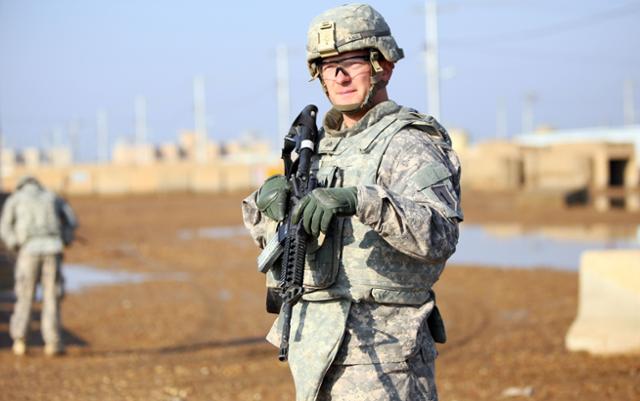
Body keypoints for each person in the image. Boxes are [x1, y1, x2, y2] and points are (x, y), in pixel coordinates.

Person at [242, 3, 462, 400]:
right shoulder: (316, 148)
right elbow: (275, 238)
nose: (339, 75)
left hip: (384, 353)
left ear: (383, 65)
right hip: (315, 348)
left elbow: (439, 234)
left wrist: (360, 200)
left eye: (352, 62)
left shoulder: (409, 143)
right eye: (329, 66)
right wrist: (266, 204)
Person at [0, 175, 78, 356]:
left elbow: (4, 227)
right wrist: (66, 239)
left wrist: (14, 243)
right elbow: (71, 221)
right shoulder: (52, 196)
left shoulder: (16, 199)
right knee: (52, 297)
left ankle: (20, 340)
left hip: (28, 252)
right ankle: (53, 342)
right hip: (53, 250)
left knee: (25, 295)